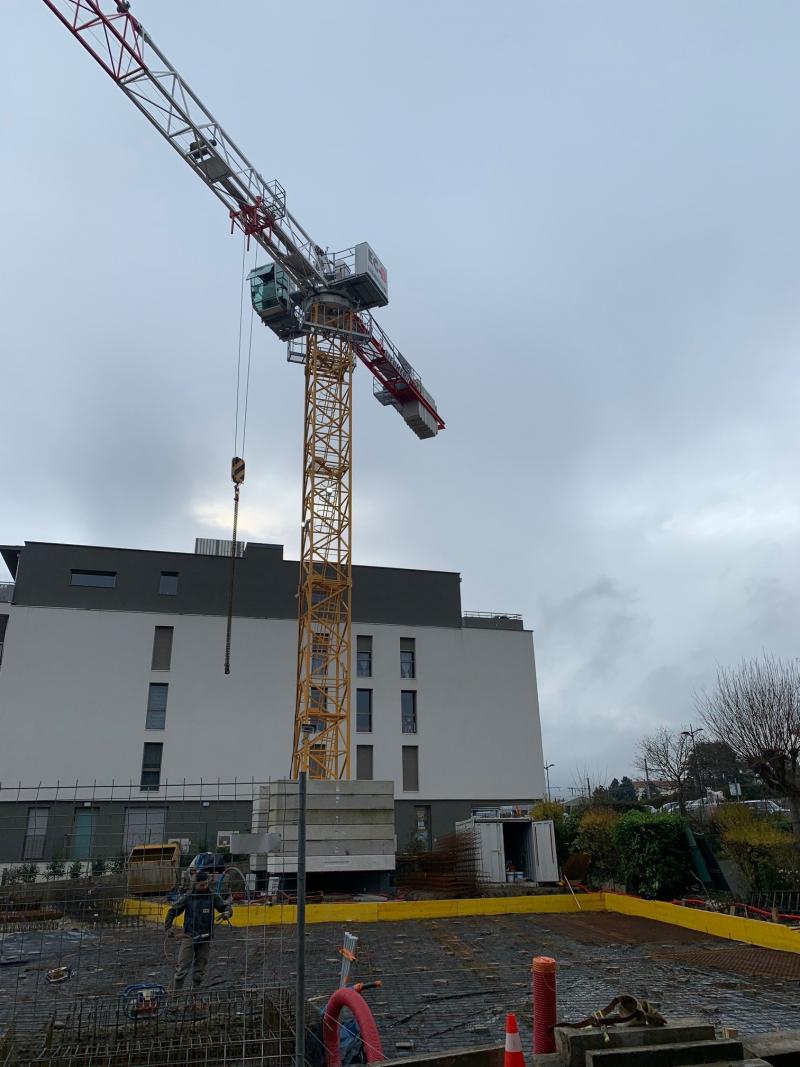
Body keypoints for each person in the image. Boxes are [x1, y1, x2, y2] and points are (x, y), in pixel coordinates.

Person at [164, 869, 231, 992]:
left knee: (199, 972)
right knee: (181, 969)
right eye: (202, 885)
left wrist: (227, 913)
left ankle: (195, 997)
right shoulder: (189, 897)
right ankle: (175, 998)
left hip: (206, 937)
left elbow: (225, 906)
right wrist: (168, 928)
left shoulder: (212, 896)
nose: (204, 887)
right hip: (189, 936)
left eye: (206, 884)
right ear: (196, 884)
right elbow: (173, 910)